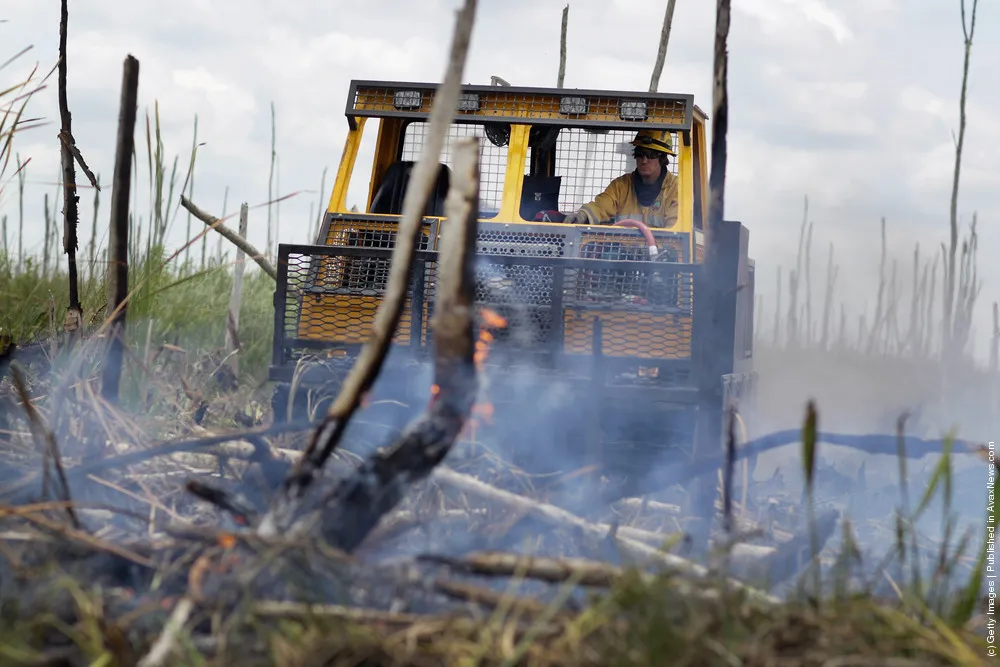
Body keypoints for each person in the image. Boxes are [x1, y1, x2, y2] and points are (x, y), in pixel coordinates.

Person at [561, 129, 679, 228]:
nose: (644, 160)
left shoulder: (677, 189)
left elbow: (675, 230)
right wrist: (583, 215)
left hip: (660, 249)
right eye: (639, 154)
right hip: (621, 248)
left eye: (651, 155)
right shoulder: (621, 186)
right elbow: (602, 206)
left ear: (663, 158)